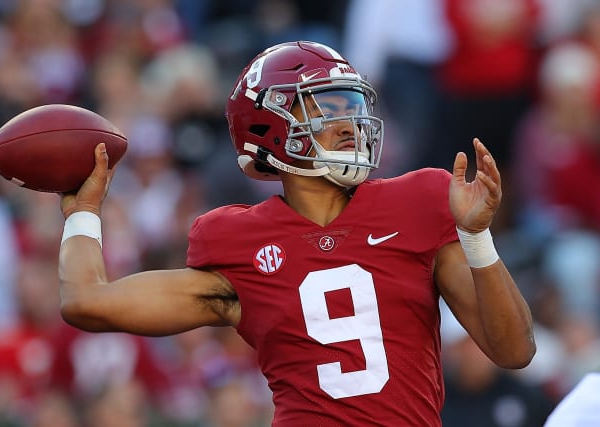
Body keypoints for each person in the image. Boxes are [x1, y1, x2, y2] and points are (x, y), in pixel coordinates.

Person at [56, 41, 535, 426]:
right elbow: (86, 302)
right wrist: (84, 212)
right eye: (326, 108)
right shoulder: (238, 242)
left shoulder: (418, 201)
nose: (349, 123)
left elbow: (513, 350)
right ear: (271, 125)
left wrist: (476, 237)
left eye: (352, 106)